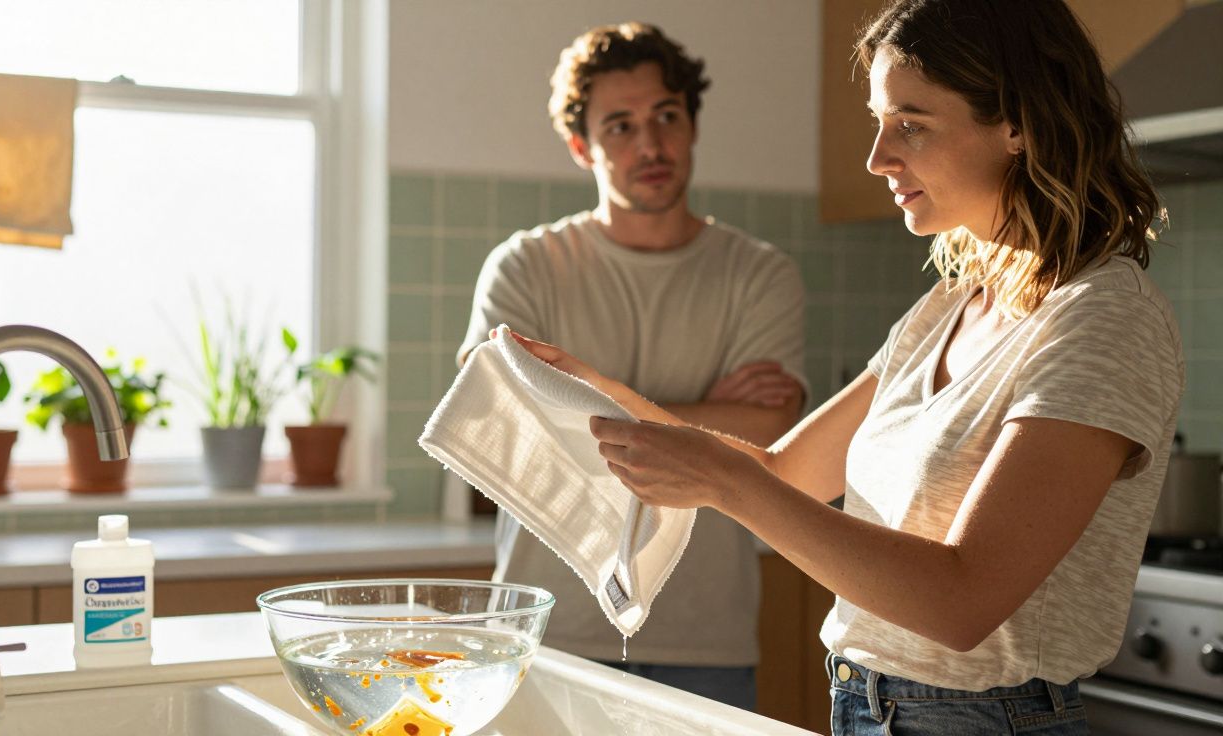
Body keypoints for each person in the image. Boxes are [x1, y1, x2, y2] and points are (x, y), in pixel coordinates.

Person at [504, 0, 1184, 732]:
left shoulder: (1105, 318)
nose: (878, 157)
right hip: (864, 707)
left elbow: (962, 602)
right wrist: (592, 385)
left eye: (911, 125)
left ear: (1016, 123)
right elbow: (784, 471)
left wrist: (723, 480)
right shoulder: (946, 308)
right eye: (879, 122)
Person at [456, 22, 807, 710]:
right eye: (620, 126)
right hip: (549, 633)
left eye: (666, 117)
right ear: (581, 146)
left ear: (692, 126)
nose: (650, 144)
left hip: (708, 635)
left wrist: (571, 397)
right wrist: (702, 413)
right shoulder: (526, 267)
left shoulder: (760, 273)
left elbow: (768, 424)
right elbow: (499, 419)